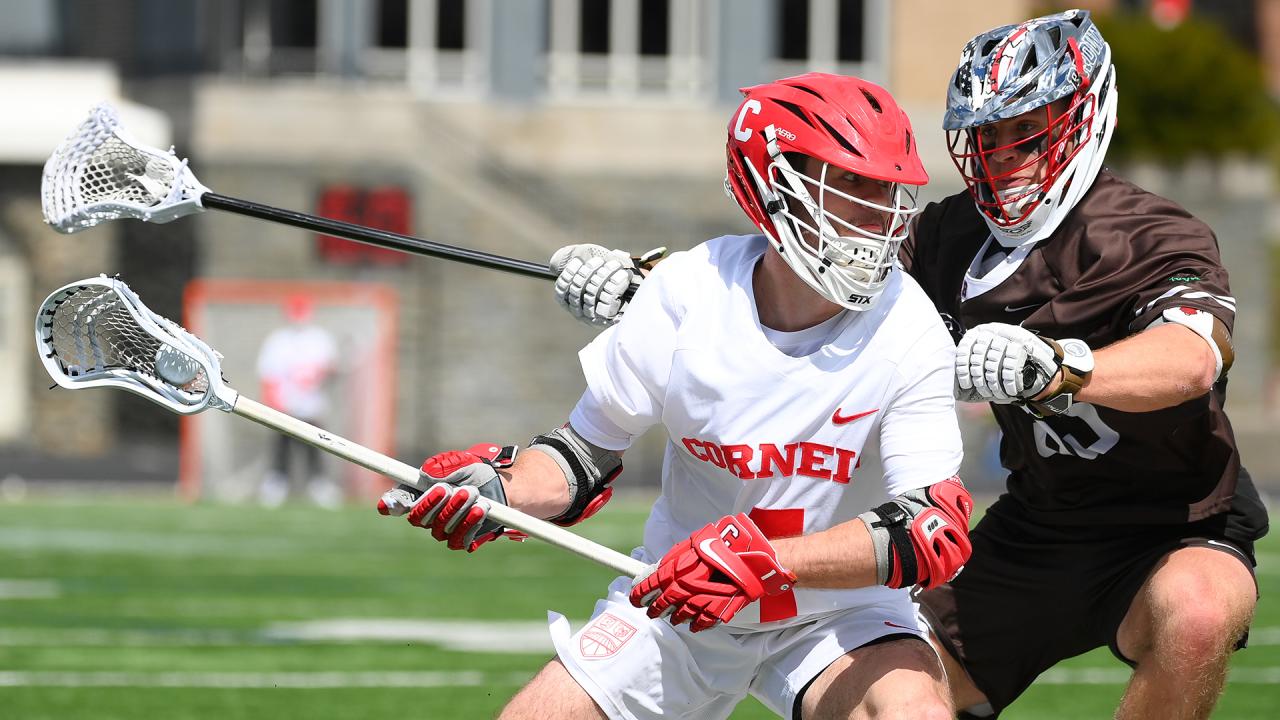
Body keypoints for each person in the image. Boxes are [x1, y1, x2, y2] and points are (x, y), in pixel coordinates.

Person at [551, 11, 1269, 719]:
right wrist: (652, 286)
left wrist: (1061, 367)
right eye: (988, 135)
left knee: (1197, 613)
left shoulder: (1151, 234)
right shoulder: (947, 234)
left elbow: (1193, 356)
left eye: (1025, 131)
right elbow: (809, 269)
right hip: (1036, 522)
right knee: (903, 700)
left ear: (1081, 120)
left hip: (1178, 522)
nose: (1003, 153)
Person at [379, 73, 975, 719]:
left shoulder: (910, 326)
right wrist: (494, 491)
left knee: (916, 713)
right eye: (851, 182)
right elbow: (580, 461)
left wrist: (764, 563)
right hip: (678, 600)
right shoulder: (687, 291)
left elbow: (930, 531)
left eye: (890, 186)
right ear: (774, 188)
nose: (881, 210)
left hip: (839, 614)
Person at [256, 293, 342, 508]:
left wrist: (326, 372)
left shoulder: (320, 339)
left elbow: (332, 369)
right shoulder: (278, 341)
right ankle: (276, 484)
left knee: (315, 446)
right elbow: (268, 374)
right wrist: (274, 402)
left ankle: (319, 484)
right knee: (281, 448)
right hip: (285, 406)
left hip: (312, 406)